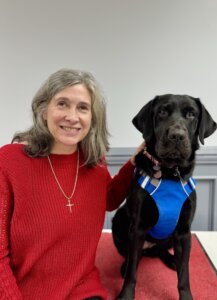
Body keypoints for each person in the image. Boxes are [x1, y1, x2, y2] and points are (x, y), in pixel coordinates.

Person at [0, 68, 144, 300]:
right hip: (24, 291)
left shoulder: (94, 161)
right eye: (62, 104)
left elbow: (108, 199)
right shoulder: (9, 161)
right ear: (44, 110)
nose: (72, 116)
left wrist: (135, 163)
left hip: (82, 288)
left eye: (82, 108)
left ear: (92, 118)